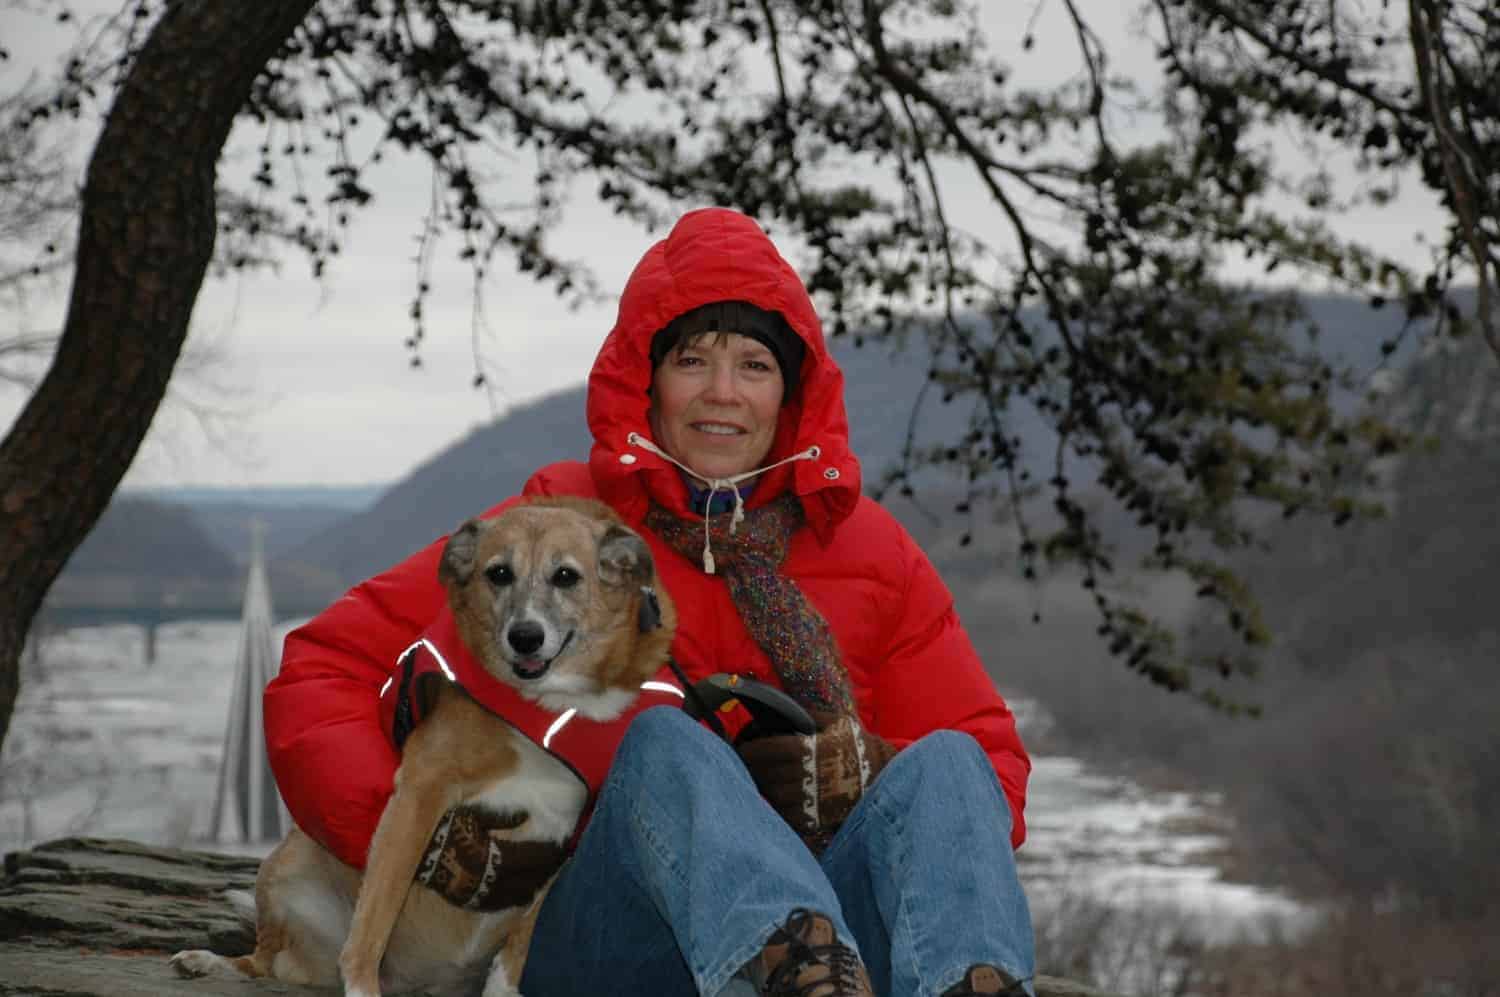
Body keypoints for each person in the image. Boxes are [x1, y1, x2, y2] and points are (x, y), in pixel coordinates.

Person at [264, 207, 1036, 997]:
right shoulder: (560, 520)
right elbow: (325, 667)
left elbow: (990, 780)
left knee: (949, 760)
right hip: (614, 936)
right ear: (649, 379)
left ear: (792, 391)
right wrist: (410, 839)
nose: (723, 393)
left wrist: (869, 770)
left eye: (755, 364)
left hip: (843, 948)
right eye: (693, 359)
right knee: (664, 742)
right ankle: (795, 964)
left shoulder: (873, 551)